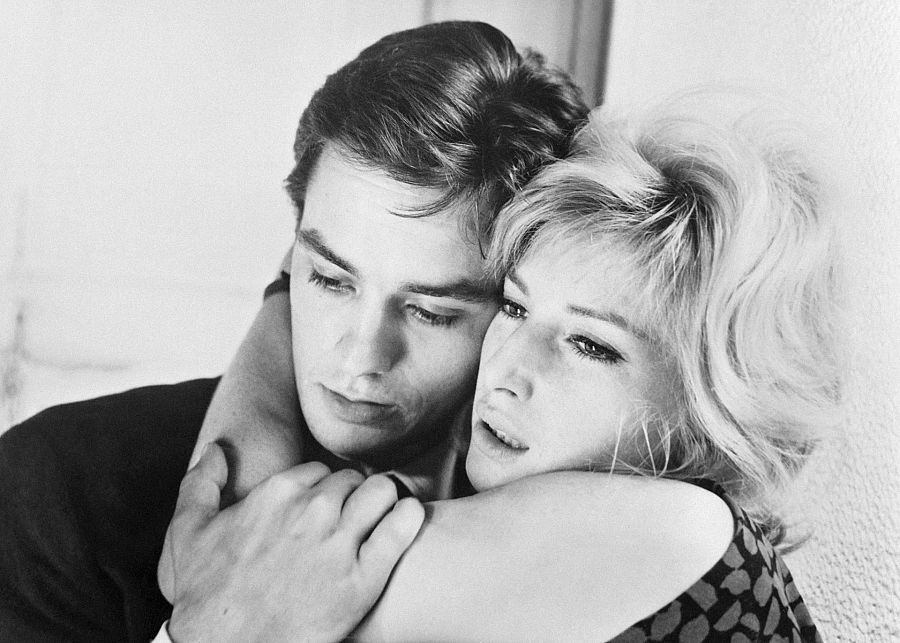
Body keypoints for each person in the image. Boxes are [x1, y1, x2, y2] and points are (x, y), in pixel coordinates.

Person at [0, 21, 588, 642]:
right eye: (330, 280)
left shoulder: (578, 543)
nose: (361, 357)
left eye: (431, 312)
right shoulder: (58, 488)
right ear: (291, 256)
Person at [166, 103, 839, 641]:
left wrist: (290, 284)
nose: (508, 369)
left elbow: (230, 563)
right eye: (515, 307)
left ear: (709, 404)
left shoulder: (676, 531)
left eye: (589, 345)